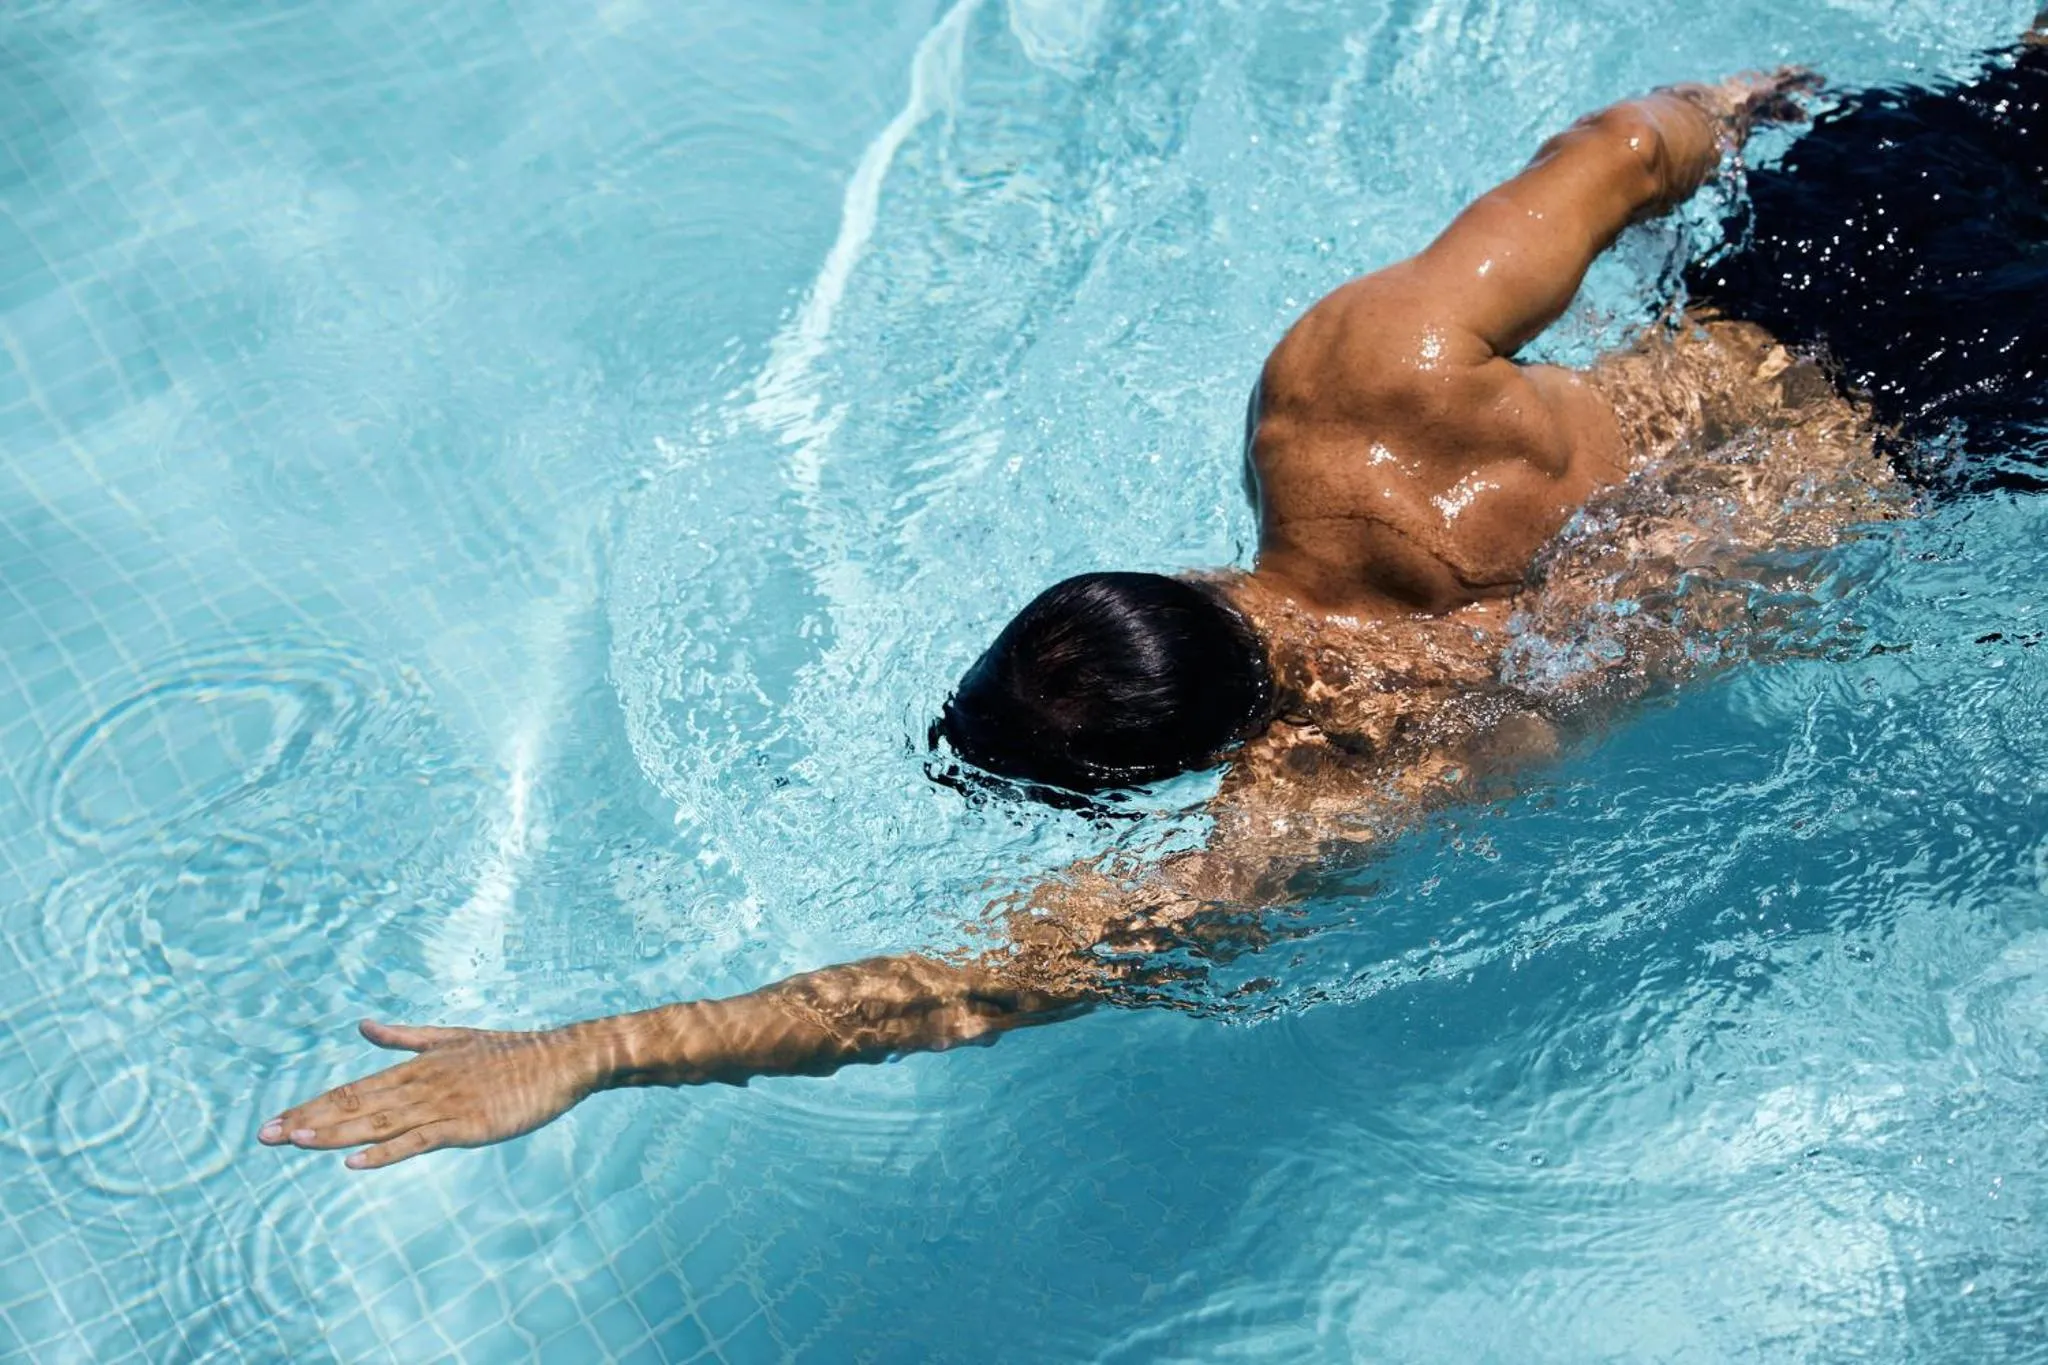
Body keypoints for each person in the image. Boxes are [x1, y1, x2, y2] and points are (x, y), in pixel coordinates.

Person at [262, 22, 2048, 1170]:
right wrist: (1727, 113)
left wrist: (588, 1051)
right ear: (1167, 578)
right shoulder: (1359, 386)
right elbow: (1615, 151)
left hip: (1956, 420)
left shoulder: (1359, 782)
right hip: (1850, 239)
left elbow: (981, 987)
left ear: (1189, 763)